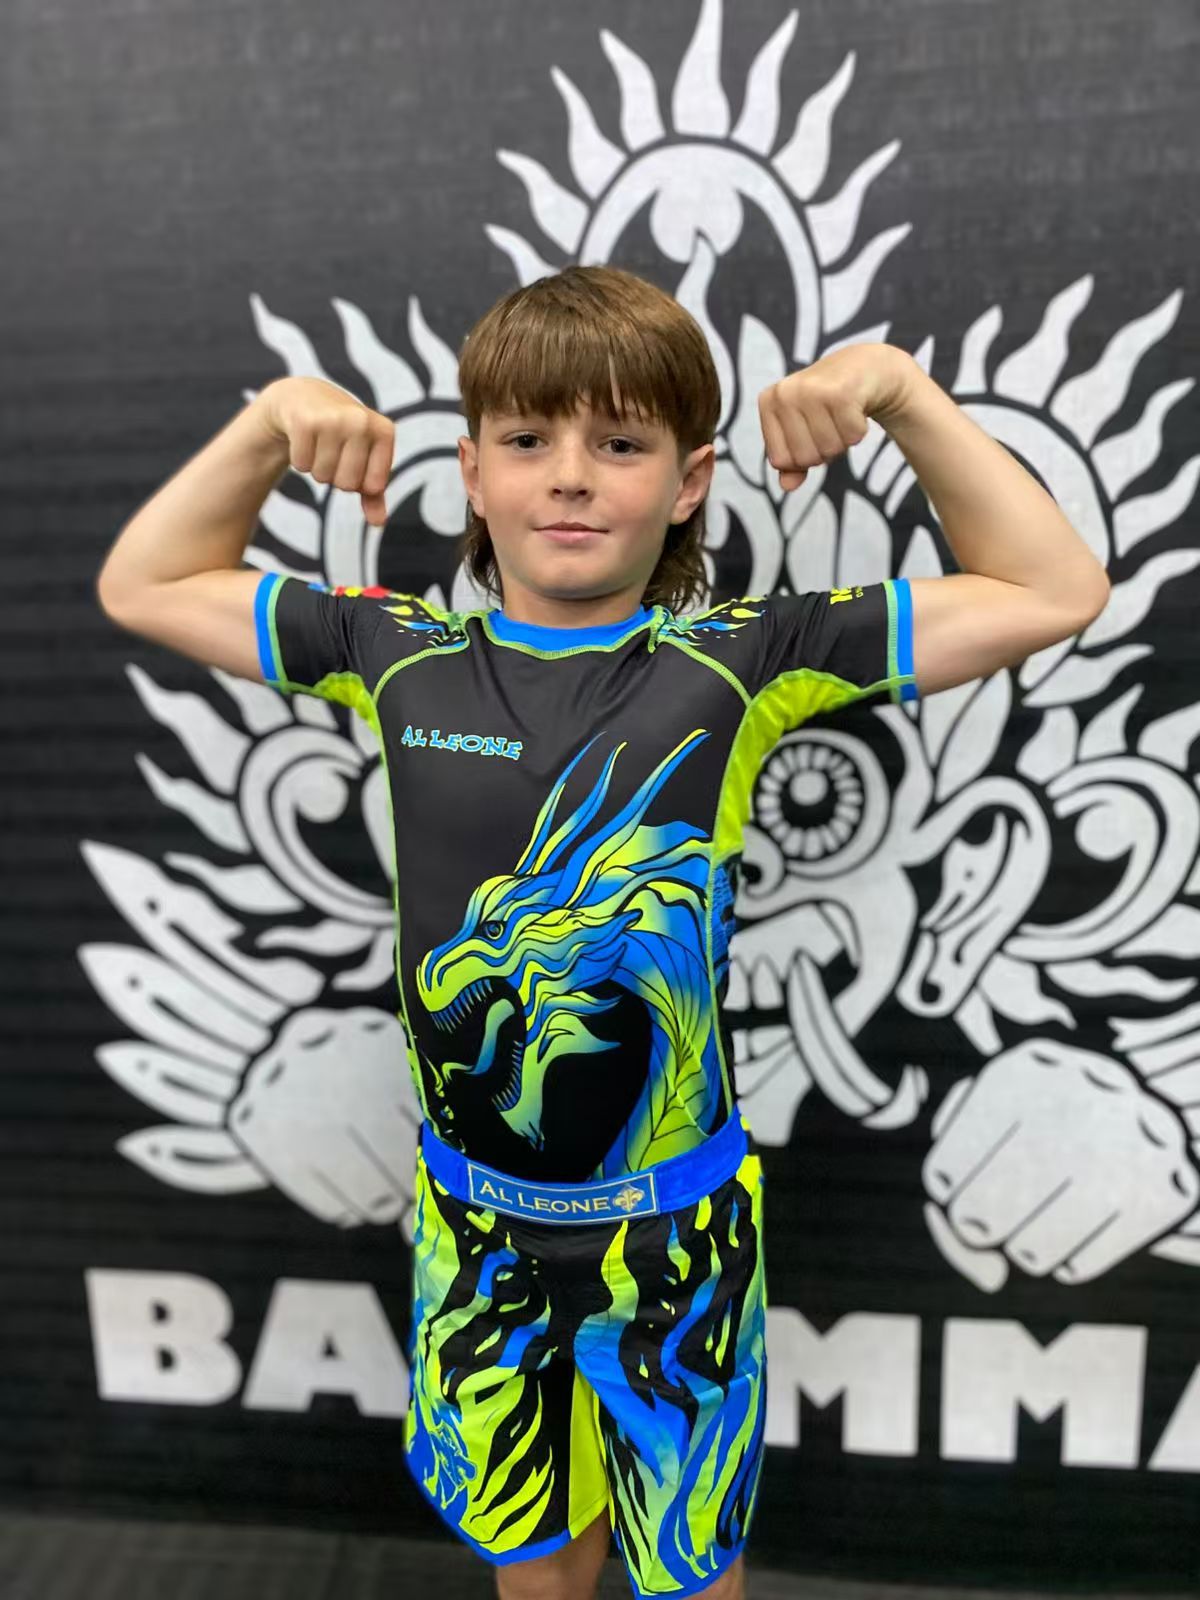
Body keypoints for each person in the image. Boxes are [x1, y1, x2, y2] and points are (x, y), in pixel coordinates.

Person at [96, 265, 1110, 1600]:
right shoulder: (390, 652)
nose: (570, 477)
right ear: (471, 473)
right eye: (528, 440)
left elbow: (1053, 588)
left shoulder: (745, 660)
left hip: (676, 1245)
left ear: (691, 483)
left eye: (621, 444)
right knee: (536, 1571)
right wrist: (271, 418)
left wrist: (901, 390)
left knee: (690, 1581)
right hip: (477, 1237)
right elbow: (145, 581)